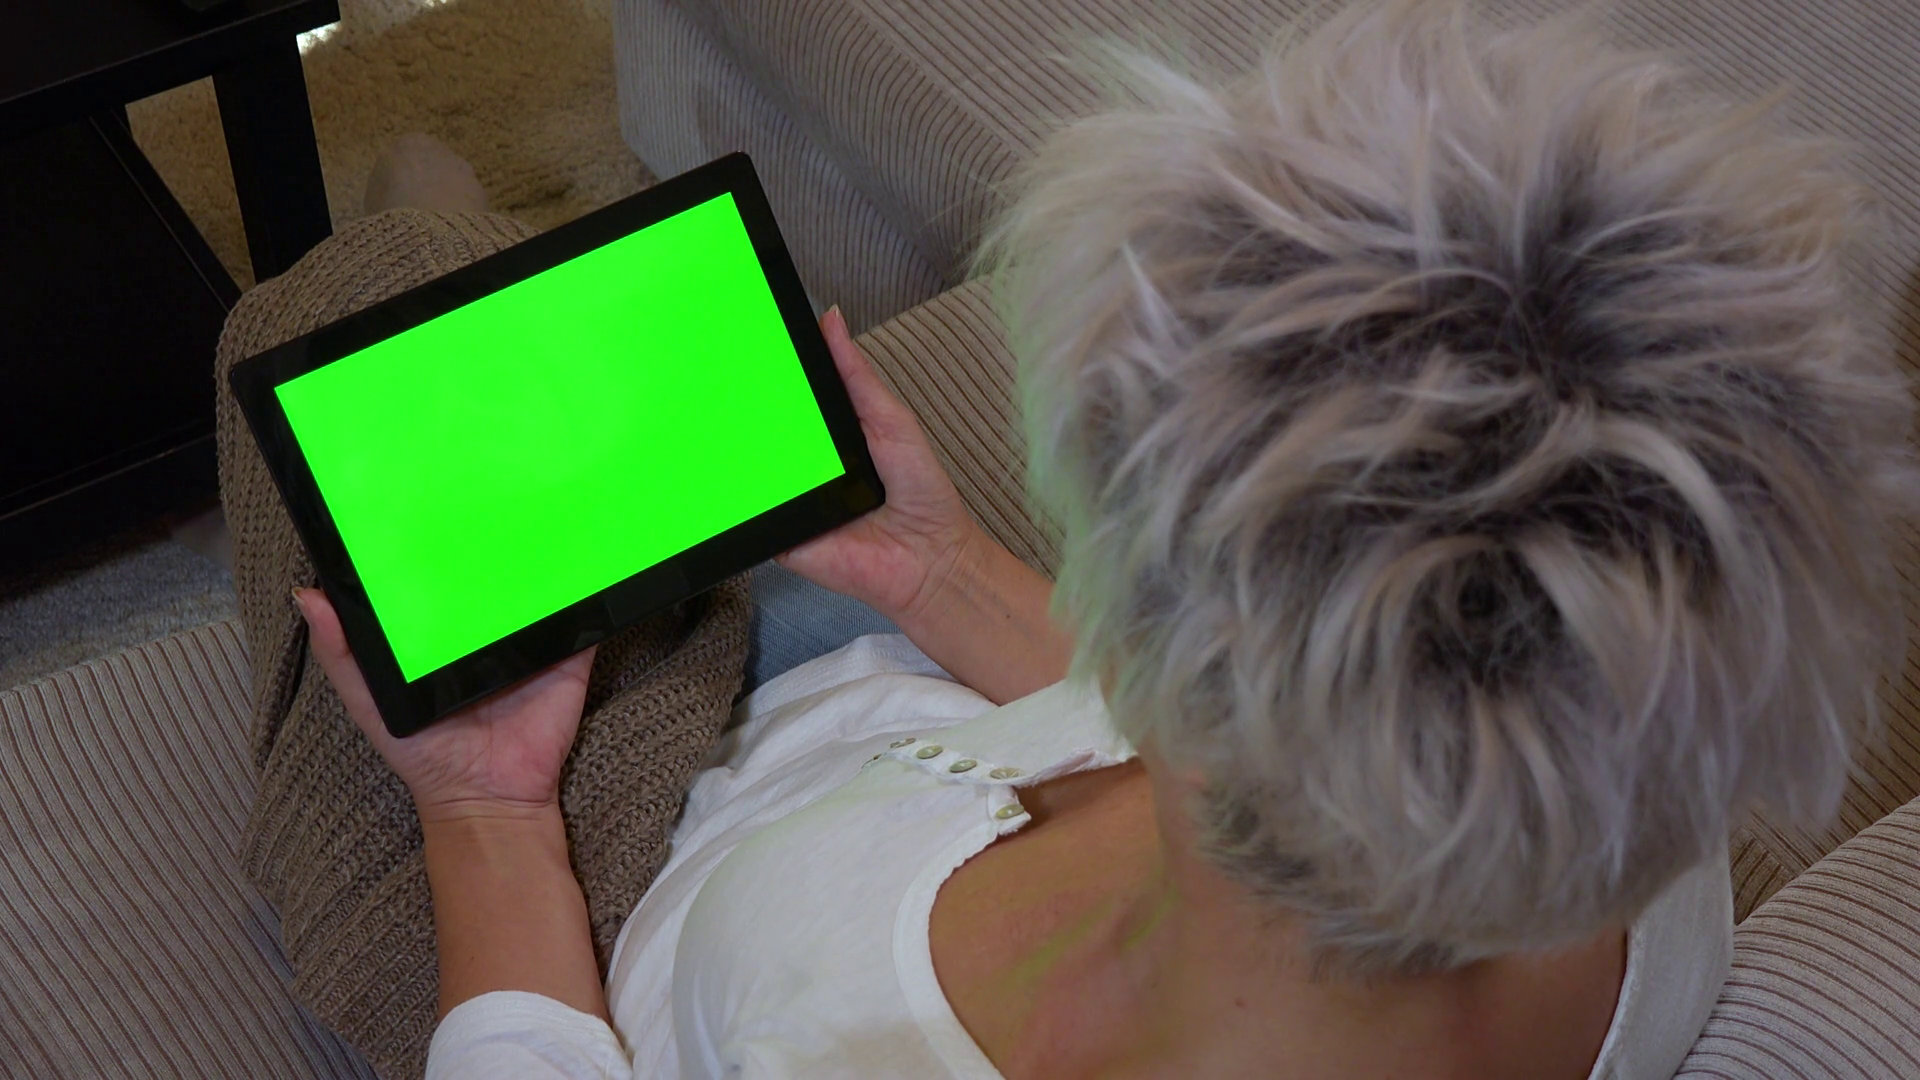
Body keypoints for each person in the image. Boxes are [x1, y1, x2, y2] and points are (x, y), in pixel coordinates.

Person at [292, 2, 1917, 1077]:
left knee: (350, 334)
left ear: (1161, 633)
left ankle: (403, 242)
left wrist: (482, 811)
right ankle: (452, 245)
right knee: (690, 439)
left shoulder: (838, 1045)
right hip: (929, 709)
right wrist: (936, 569)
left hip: (600, 872)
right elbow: (1286, 769)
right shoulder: (1637, 811)